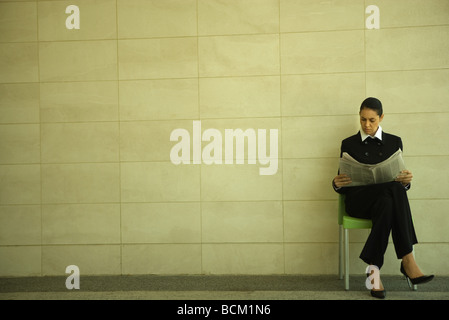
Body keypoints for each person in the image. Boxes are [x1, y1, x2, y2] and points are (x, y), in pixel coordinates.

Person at [332, 97, 434, 299]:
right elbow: (342, 182)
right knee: (394, 192)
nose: (367, 125)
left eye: (372, 120)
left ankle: (374, 271)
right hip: (359, 202)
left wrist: (405, 181)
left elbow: (399, 176)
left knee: (390, 199)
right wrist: (336, 183)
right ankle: (407, 259)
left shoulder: (394, 141)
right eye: (362, 120)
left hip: (383, 203)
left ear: (381, 117)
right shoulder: (348, 143)